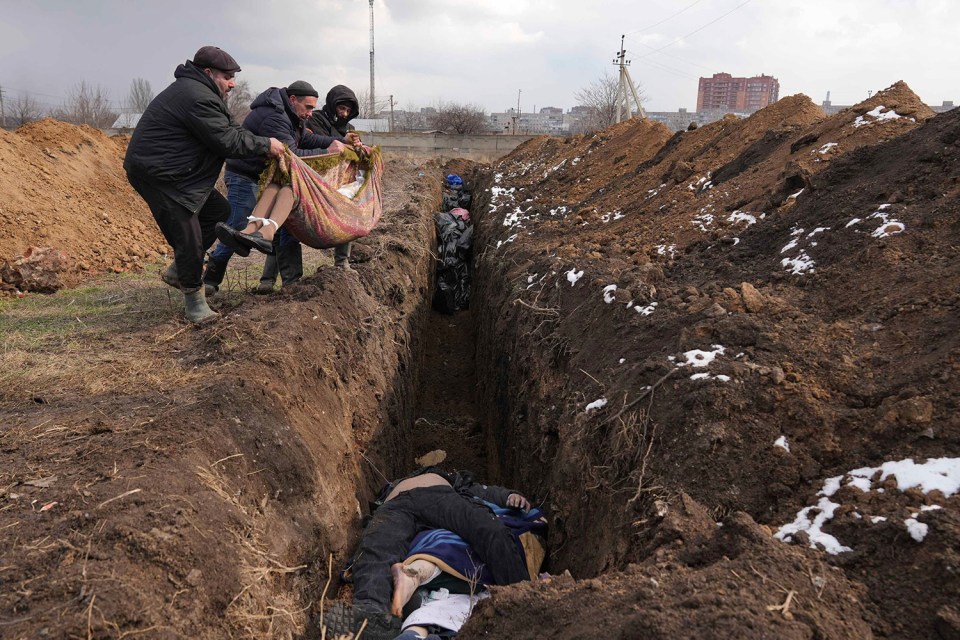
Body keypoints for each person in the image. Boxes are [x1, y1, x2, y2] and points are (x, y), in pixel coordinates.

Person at [124, 46, 283, 323]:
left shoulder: (204, 93)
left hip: (180, 174)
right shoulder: (197, 97)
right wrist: (265, 144)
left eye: (233, 77)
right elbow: (227, 142)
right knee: (189, 234)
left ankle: (177, 271)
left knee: (217, 213)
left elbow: (232, 130)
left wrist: (259, 141)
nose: (232, 83)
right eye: (227, 76)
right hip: (161, 175)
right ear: (208, 73)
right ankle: (194, 302)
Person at [324, 468, 533, 640]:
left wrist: (508, 496)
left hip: (437, 496)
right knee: (375, 550)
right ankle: (370, 619)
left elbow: (482, 491)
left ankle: (523, 600)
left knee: (490, 530)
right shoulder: (390, 488)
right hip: (396, 506)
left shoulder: (449, 478)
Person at [201, 80, 353, 296]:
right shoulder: (276, 117)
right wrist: (328, 152)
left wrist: (337, 140)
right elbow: (291, 156)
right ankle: (210, 281)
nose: (311, 113)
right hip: (245, 176)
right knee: (237, 228)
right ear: (293, 100)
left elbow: (307, 138)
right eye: (308, 107)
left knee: (284, 228)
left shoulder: (292, 116)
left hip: (267, 178)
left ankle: (292, 282)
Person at [256, 84, 362, 291]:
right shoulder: (313, 120)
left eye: (348, 111)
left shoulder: (348, 130)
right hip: (307, 182)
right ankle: (272, 280)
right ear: (332, 106)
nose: (344, 113)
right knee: (287, 227)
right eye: (341, 108)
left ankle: (342, 263)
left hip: (334, 184)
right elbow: (307, 146)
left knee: (346, 215)